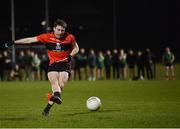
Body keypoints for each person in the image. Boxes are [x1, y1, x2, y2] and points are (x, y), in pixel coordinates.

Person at [0, 19, 79, 116]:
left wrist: (70, 56)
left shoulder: (69, 37)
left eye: (62, 30)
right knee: (54, 82)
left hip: (65, 63)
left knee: (61, 84)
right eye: (58, 30)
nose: (60, 32)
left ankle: (48, 107)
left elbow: (76, 48)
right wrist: (14, 42)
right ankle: (56, 98)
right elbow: (30, 40)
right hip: (53, 64)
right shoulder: (46, 37)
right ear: (54, 29)